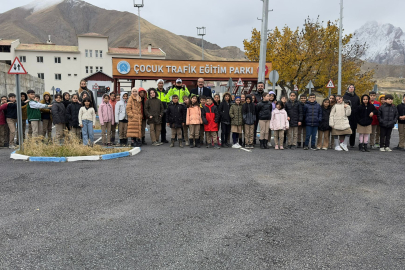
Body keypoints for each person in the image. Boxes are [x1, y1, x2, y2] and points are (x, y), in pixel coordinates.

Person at [156, 79, 170, 144]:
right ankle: (156, 139)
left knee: (163, 126)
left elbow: (168, 102)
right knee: (157, 125)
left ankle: (163, 138)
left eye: (162, 83)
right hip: (156, 110)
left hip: (164, 110)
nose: (161, 84)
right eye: (159, 83)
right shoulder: (155, 92)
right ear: (157, 84)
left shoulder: (166, 92)